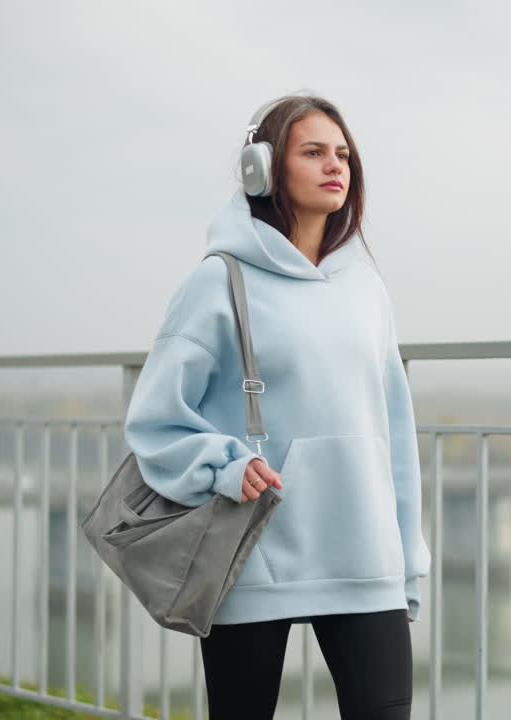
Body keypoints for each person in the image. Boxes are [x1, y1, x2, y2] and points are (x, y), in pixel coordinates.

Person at [122, 92, 431, 720]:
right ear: (261, 169)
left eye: (342, 153)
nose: (334, 165)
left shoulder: (367, 290)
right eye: (313, 151)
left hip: (365, 556)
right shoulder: (219, 280)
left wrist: (407, 559)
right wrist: (224, 467)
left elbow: (394, 437)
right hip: (252, 552)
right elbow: (155, 421)